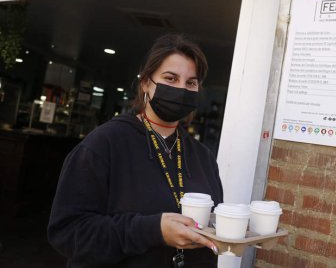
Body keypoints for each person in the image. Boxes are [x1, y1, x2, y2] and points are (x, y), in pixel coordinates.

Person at [48, 34, 223, 267]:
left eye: (191, 83)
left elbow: (211, 227)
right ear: (145, 84)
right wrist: (152, 231)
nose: (181, 88)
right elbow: (68, 232)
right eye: (170, 78)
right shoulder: (104, 143)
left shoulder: (203, 157)